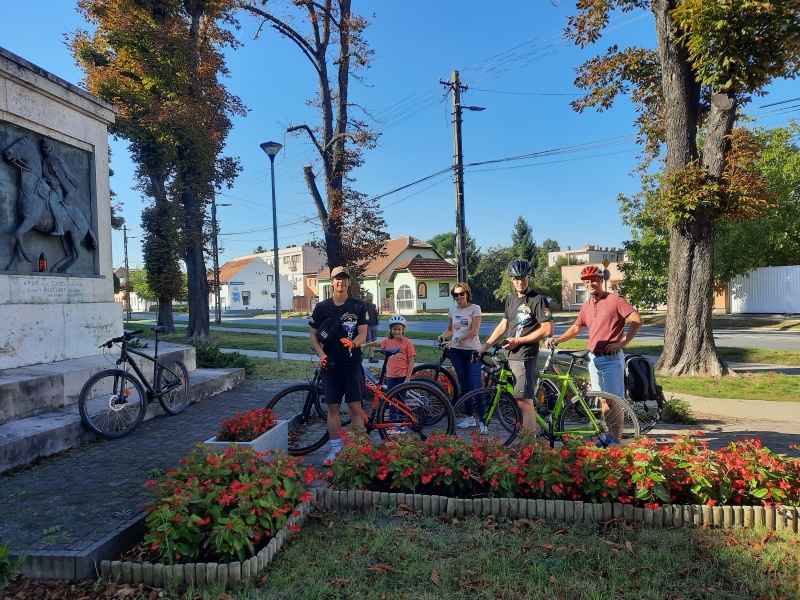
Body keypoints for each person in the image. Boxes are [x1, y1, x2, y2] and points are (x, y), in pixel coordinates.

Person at [546, 264, 643, 446]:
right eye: (586, 281)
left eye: (593, 280)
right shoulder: (587, 305)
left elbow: (637, 320)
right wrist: (559, 339)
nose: (590, 283)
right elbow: (576, 327)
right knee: (603, 399)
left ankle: (617, 440)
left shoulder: (615, 300)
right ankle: (608, 437)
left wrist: (622, 343)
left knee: (614, 401)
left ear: (601, 280)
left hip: (612, 359)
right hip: (594, 359)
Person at [480, 259, 554, 431]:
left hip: (526, 356)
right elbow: (503, 325)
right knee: (519, 400)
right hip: (511, 356)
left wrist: (519, 341)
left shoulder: (538, 300)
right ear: (511, 280)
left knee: (524, 402)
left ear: (529, 278)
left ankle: (530, 443)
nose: (520, 282)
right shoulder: (511, 299)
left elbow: (547, 329)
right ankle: (527, 437)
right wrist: (485, 347)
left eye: (523, 278)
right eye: (516, 278)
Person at [309, 266, 368, 464]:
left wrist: (353, 343)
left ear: (349, 282)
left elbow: (363, 333)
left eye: (344, 278)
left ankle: (358, 451)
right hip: (331, 365)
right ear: (331, 282)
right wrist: (322, 355)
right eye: (337, 278)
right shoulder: (322, 307)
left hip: (352, 364)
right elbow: (313, 335)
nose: (341, 282)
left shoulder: (358, 306)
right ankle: (335, 450)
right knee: (333, 407)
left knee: (355, 407)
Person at [438, 282, 486, 434]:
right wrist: (443, 336)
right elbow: (450, 329)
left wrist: (455, 340)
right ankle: (470, 417)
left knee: (475, 386)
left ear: (467, 294)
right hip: (456, 352)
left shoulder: (475, 308)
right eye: (456, 294)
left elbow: (474, 331)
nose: (459, 297)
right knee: (464, 386)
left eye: (461, 294)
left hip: (472, 352)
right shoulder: (452, 311)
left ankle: (483, 421)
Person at [362, 314, 416, 434]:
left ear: (403, 329)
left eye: (399, 329)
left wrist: (408, 378)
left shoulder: (407, 343)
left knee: (401, 401)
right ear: (391, 330)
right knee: (391, 400)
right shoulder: (388, 341)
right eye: (394, 329)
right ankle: (393, 424)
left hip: (402, 376)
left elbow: (411, 362)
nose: (396, 331)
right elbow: (377, 343)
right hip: (391, 376)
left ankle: (402, 425)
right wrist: (366, 345)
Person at [41, 138, 78, 237]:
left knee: (53, 204)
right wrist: (48, 179)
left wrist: (56, 182)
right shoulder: (45, 160)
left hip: (58, 189)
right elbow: (45, 172)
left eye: (46, 147)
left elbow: (62, 176)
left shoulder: (57, 160)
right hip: (48, 185)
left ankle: (60, 228)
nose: (44, 150)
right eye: (43, 148)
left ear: (51, 148)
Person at [364, 293, 380, 363]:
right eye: (370, 297)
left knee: (373, 342)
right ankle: (360, 354)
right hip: (368, 326)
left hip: (374, 325)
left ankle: (371, 357)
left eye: (372, 297)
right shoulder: (364, 305)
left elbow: (376, 314)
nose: (371, 298)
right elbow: (365, 315)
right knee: (368, 342)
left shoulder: (373, 305)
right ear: (366, 297)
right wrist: (367, 322)